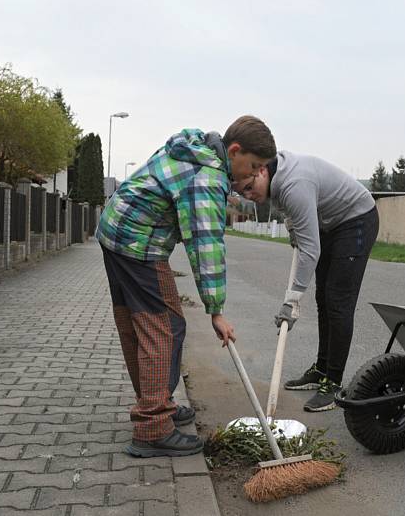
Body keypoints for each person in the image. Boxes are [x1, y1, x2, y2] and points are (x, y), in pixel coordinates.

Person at [97, 115, 277, 456]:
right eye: (252, 166)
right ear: (234, 151)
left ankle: (157, 403)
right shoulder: (207, 178)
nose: (252, 176)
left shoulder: (194, 151)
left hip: (117, 233)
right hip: (138, 243)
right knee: (161, 327)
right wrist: (216, 311)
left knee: (142, 323)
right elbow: (206, 245)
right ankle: (152, 426)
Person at [237, 150, 378, 412]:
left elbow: (310, 250)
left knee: (338, 300)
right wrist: (292, 227)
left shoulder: (293, 184)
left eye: (248, 187)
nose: (248, 196)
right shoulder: (276, 180)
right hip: (331, 224)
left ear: (262, 171)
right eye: (241, 192)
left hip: (356, 220)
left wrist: (292, 301)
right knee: (323, 296)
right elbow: (293, 210)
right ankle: (322, 368)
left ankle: (333, 382)